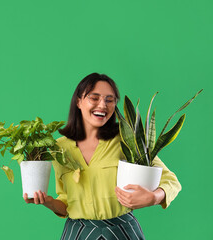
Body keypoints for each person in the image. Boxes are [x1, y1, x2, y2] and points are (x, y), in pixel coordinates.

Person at [23, 73, 182, 240]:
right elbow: (66, 202)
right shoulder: (59, 148)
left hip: (122, 232)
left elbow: (171, 181)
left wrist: (153, 197)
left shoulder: (127, 142)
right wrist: (48, 202)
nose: (102, 105)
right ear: (79, 102)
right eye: (94, 98)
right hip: (78, 233)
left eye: (109, 100)